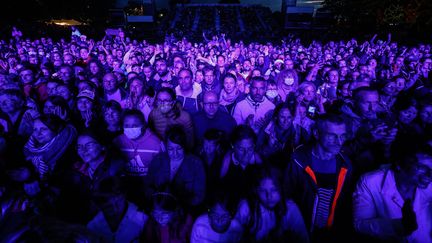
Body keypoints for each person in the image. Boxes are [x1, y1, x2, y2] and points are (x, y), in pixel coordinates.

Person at [284, 114, 353, 242]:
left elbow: (345, 204)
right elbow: (287, 199)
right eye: (332, 136)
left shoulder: (346, 164)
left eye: (342, 136)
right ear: (316, 133)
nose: (339, 142)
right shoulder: (297, 161)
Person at [353, 134, 432, 242]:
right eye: (421, 167)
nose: (430, 174)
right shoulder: (371, 182)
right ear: (399, 164)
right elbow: (360, 224)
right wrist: (399, 225)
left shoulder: (427, 184)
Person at [236, 167, 309, 242]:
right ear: (256, 191)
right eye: (262, 191)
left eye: (274, 190)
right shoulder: (247, 207)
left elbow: (304, 238)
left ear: (281, 188)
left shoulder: (290, 208)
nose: (269, 196)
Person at [146, 126, 206, 209]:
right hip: (159, 208)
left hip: (185, 209)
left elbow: (199, 195)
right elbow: (147, 185)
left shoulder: (196, 163)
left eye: (179, 148)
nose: (175, 153)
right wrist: (158, 202)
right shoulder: (158, 160)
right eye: (170, 149)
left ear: (185, 146)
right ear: (165, 147)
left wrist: (179, 205)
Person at [87, 176, 148, 242]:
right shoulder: (94, 224)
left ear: (123, 195)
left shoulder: (142, 220)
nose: (112, 202)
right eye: (104, 200)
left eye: (117, 200)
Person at [220, 125, 263, 206]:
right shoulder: (223, 165)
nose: (246, 154)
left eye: (250, 148)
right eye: (241, 149)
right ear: (232, 146)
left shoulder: (261, 164)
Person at [257, 103, 310, 168]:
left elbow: (310, 151)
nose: (286, 121)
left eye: (289, 117)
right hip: (270, 169)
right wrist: (269, 146)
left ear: (293, 118)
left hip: (292, 170)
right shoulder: (266, 130)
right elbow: (257, 155)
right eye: (282, 117)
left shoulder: (299, 131)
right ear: (276, 117)